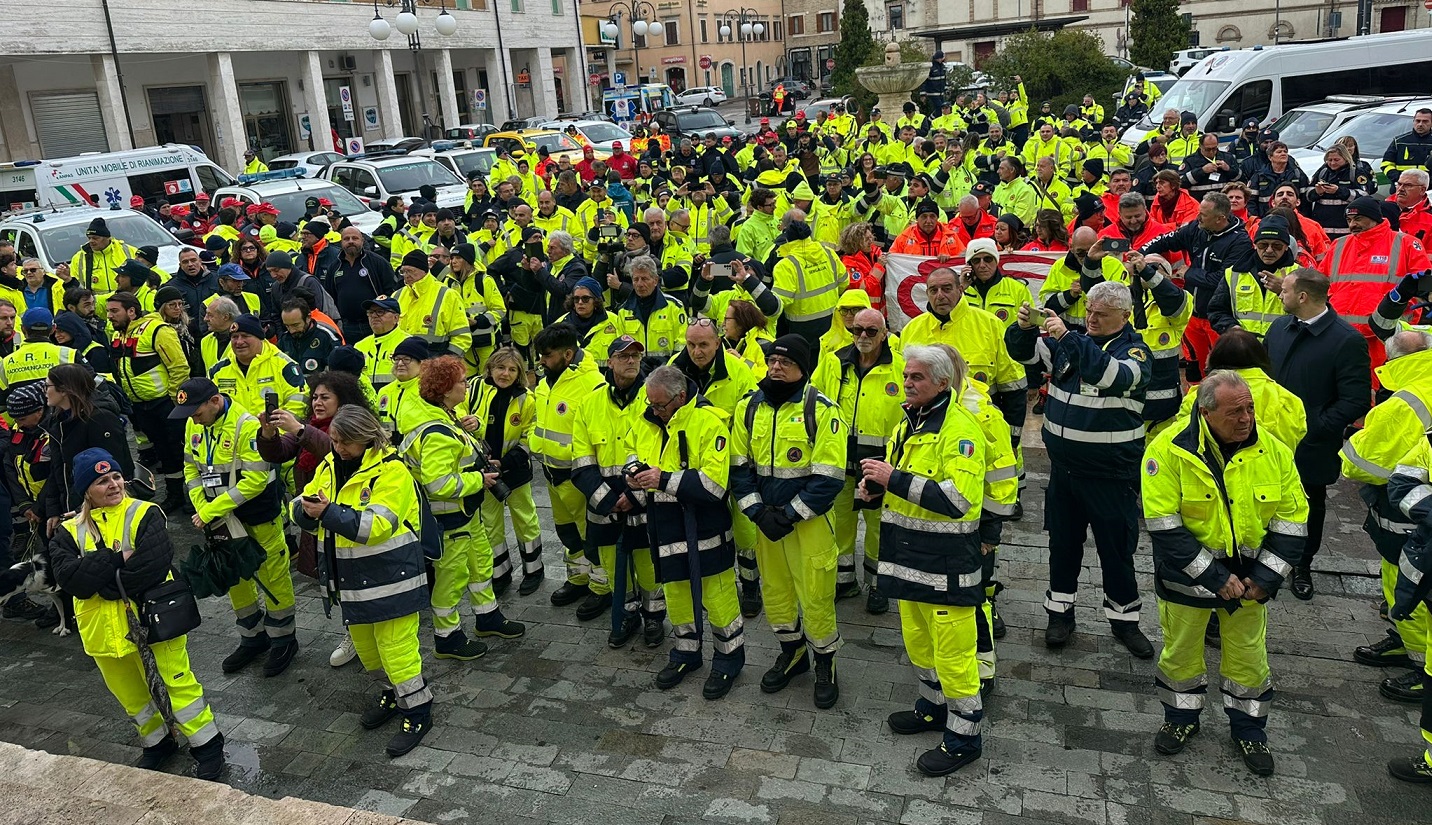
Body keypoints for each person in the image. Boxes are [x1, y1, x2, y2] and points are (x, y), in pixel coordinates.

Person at [1142, 370, 1307, 777]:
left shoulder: (1274, 451)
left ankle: (1249, 729)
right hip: (1187, 582)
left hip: (1250, 587)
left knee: (1250, 660)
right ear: (1206, 413)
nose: (1247, 418)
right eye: (1236, 411)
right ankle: (1180, 720)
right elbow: (1164, 525)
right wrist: (1215, 578)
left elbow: (1292, 521)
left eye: (1250, 408)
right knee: (1180, 655)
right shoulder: (1166, 451)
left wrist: (1265, 579)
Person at [49, 448, 226, 779]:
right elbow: (70, 579)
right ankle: (157, 743)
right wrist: (118, 560)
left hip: (154, 622)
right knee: (131, 695)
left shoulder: (146, 512)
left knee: (178, 686)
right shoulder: (68, 530)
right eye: (102, 481)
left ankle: (208, 745)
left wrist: (101, 580)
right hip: (102, 631)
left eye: (116, 476)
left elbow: (151, 567)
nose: (114, 484)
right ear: (86, 490)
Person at [1006, 281, 1154, 657]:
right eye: (1088, 311)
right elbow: (1024, 356)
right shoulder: (1073, 343)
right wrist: (1023, 329)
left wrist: (1069, 337)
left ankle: (1125, 621)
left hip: (1110, 477)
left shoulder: (1134, 352)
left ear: (1124, 315)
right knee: (1063, 547)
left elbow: (1109, 376)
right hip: (1065, 474)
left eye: (1101, 315)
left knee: (1116, 551)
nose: (1091, 319)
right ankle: (1060, 614)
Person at [862, 344, 988, 777]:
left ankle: (964, 737)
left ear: (941, 382)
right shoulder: (908, 423)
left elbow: (957, 499)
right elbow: (902, 486)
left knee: (955, 656)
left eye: (916, 377)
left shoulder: (960, 429)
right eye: (906, 375)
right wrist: (876, 489)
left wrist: (891, 477)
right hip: (907, 559)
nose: (907, 382)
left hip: (947, 566)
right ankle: (932, 708)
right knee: (919, 644)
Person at [292, 405, 434, 758]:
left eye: (344, 442)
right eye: (335, 440)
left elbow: (375, 528)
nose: (337, 448)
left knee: (395, 648)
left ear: (366, 437)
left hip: (392, 578)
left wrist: (326, 512)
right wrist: (305, 509)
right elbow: (302, 506)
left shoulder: (393, 472)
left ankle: (417, 710)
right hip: (352, 581)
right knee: (367, 649)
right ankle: (392, 691)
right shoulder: (329, 467)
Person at [732, 335, 845, 709]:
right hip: (767, 526)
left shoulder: (823, 410)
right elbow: (738, 467)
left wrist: (790, 514)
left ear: (803, 368)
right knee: (776, 593)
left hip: (809, 527)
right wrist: (758, 513)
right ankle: (792, 652)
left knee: (816, 595)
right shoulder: (749, 407)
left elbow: (828, 477)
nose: (776, 367)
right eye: (772, 361)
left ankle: (825, 662)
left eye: (786, 362)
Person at [627, 364, 745, 696]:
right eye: (651, 404)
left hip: (706, 527)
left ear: (680, 397)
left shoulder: (710, 422)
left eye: (660, 405)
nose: (653, 410)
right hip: (665, 526)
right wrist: (632, 472)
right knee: (677, 594)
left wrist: (662, 480)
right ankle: (686, 652)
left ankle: (729, 659)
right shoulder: (650, 417)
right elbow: (633, 451)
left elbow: (714, 485)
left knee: (718, 597)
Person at [170, 377, 297, 677]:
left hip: (256, 515)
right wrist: (201, 504)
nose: (192, 419)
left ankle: (283, 639)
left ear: (215, 401)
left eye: (196, 412)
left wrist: (210, 509)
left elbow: (254, 481)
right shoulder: (195, 424)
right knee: (234, 575)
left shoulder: (247, 426)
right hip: (219, 518)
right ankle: (252, 636)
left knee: (273, 575)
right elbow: (190, 466)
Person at [1263, 268, 1372, 600]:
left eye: (1285, 290)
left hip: (1311, 446)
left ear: (1303, 297)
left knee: (1310, 506)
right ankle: (1265, 562)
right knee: (1265, 499)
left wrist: (1317, 426)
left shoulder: (1346, 339)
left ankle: (1301, 565)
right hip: (1270, 440)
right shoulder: (1280, 327)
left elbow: (1354, 399)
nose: (1279, 294)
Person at [1342, 330, 1432, 702]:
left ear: (1394, 361)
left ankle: (1421, 668)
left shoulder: (1403, 404)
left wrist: (1352, 441)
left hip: (1407, 514)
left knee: (1407, 587)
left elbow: (1363, 465)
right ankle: (1402, 642)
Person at [570, 336, 664, 648]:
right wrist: (610, 502)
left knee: (650, 568)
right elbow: (581, 464)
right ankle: (625, 615)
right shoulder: (590, 405)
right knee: (613, 568)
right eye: (623, 356)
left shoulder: (652, 400)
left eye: (636, 355)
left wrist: (634, 497)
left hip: (644, 502)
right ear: (609, 362)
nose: (631, 361)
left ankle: (653, 619)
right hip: (605, 506)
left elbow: (661, 454)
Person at [815, 306, 905, 614]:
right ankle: (845, 581)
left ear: (884, 334)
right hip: (841, 464)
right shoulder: (833, 363)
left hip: (880, 468)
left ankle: (878, 585)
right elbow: (813, 405)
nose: (862, 336)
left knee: (879, 528)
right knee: (840, 525)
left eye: (870, 331)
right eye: (857, 330)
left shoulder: (899, 369)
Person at [531, 324, 606, 611]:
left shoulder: (591, 384)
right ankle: (578, 578)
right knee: (567, 532)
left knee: (591, 533)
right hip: (551, 472)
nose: (541, 361)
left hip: (578, 475)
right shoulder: (545, 381)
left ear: (567, 354)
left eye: (546, 356)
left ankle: (602, 586)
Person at [1141, 193, 1256, 378]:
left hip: (1216, 318)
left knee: (1222, 370)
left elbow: (1222, 280)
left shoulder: (1240, 241)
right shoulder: (1197, 227)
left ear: (1220, 218)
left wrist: (1189, 273)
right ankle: (1193, 403)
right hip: (1191, 315)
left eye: (1203, 214)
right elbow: (1166, 240)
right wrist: (1140, 253)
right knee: (1193, 367)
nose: (1197, 217)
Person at [461, 346, 544, 597]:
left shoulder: (526, 399)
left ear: (519, 372)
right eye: (500, 367)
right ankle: (500, 572)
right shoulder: (475, 388)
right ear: (490, 367)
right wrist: (471, 422)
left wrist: (506, 462)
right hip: (484, 472)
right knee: (490, 524)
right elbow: (457, 410)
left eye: (511, 369)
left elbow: (531, 436)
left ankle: (534, 570)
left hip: (514, 470)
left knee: (525, 519)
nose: (504, 374)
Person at [1320, 196, 1432, 372]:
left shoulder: (1406, 243)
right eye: (1349, 220)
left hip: (1386, 338)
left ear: (1374, 217)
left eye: (1358, 219)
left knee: (1382, 388)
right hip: (1340, 334)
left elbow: (1423, 286)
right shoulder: (1338, 245)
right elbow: (1321, 284)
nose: (1352, 225)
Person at [106, 291, 190, 514]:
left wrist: (175, 401)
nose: (109, 316)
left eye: (114, 311)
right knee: (163, 452)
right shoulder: (118, 335)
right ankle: (175, 495)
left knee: (181, 451)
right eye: (108, 311)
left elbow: (179, 367)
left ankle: (193, 494)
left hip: (165, 404)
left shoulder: (158, 330)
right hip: (141, 406)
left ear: (131, 311)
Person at [39, 363, 135, 535]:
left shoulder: (100, 419)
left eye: (47, 386)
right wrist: (53, 510)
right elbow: (58, 468)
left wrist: (81, 511)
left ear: (64, 390)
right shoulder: (58, 420)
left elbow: (115, 473)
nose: (44, 391)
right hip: (73, 509)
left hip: (100, 512)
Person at [1207, 216, 1297, 338]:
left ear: (1286, 247)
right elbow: (1217, 311)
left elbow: (1312, 313)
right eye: (1263, 245)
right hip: (1245, 349)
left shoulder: (1299, 274)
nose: (1269, 250)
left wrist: (1284, 291)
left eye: (1277, 246)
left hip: (1283, 348)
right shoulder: (1234, 273)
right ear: (1254, 245)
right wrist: (1233, 329)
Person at [208, 314, 308, 421]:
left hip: (275, 435)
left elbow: (299, 402)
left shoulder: (284, 365)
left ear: (260, 338)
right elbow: (208, 408)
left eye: (245, 336)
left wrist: (278, 432)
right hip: (232, 436)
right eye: (234, 337)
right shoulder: (217, 371)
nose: (239, 342)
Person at [770, 211, 844, 344]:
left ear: (787, 238)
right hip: (833, 319)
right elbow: (844, 282)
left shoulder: (786, 265)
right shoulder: (829, 253)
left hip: (802, 327)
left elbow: (779, 302)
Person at [325, 226, 398, 343]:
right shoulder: (334, 267)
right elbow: (330, 296)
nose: (351, 241)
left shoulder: (377, 262)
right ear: (341, 242)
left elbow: (392, 290)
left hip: (375, 322)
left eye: (355, 238)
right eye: (346, 239)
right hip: (347, 326)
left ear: (362, 241)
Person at [277, 297, 342, 380]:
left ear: (308, 318)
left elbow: (336, 373)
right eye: (287, 326)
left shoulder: (326, 337)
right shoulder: (284, 340)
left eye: (296, 325)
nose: (292, 330)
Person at [1380, 107, 1432, 183]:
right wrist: (1399, 178)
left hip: (1428, 189)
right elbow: (1386, 164)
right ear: (1413, 121)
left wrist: (1428, 182)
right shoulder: (1399, 141)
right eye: (1418, 121)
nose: (1420, 124)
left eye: (1425, 121)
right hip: (1401, 186)